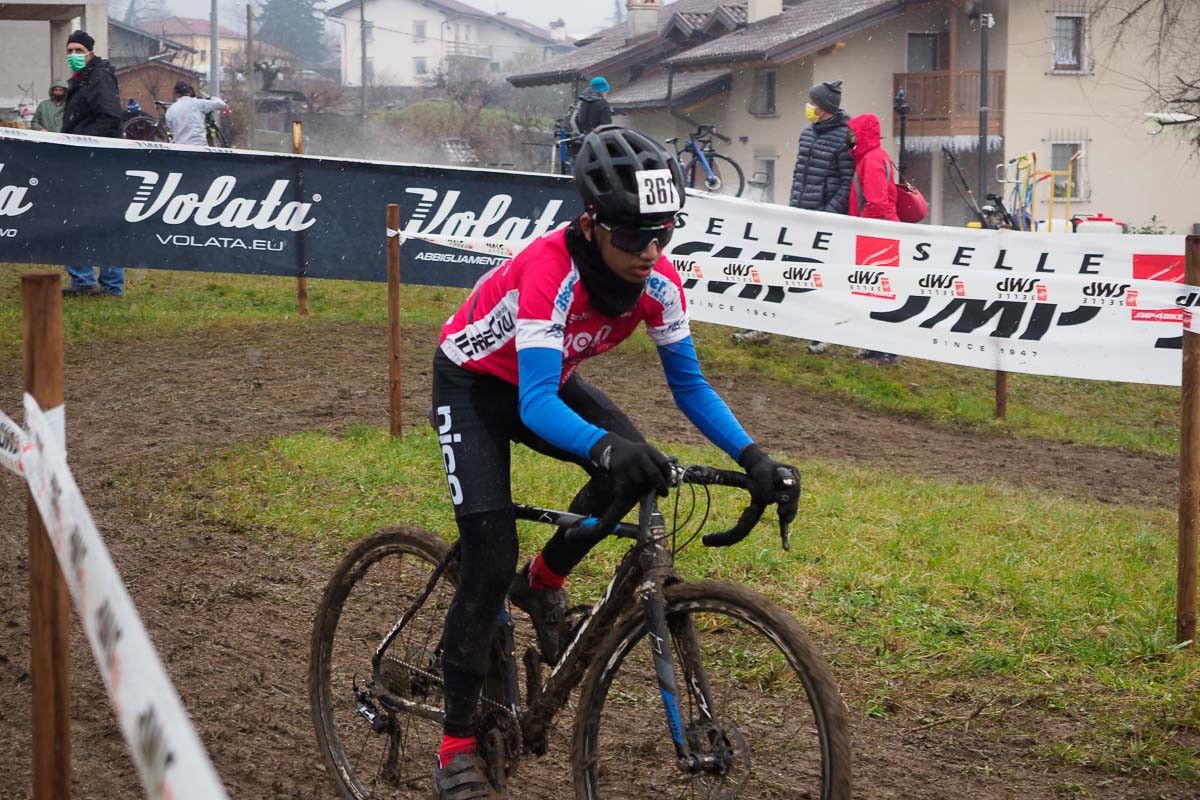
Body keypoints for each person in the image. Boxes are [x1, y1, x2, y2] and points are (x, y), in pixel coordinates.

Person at [429, 125, 800, 799]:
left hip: (544, 378)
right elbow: (536, 404)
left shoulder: (659, 281)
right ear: (591, 224)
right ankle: (455, 749)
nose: (650, 252)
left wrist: (754, 456)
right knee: (489, 556)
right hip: (475, 385)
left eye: (663, 234)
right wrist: (603, 446)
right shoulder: (551, 270)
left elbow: (690, 387)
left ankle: (542, 581)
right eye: (632, 236)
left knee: (637, 467)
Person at [790, 79, 854, 355]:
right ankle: (777, 323)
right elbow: (798, 174)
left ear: (824, 107)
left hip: (826, 219)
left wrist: (829, 213)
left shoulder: (844, 137)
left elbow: (848, 182)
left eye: (812, 103)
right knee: (793, 271)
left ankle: (826, 331)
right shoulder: (807, 133)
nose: (808, 106)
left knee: (824, 278)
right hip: (800, 214)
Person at [61, 29, 125, 298]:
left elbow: (110, 118)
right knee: (84, 219)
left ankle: (103, 282)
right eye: (69, 51)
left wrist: (83, 144)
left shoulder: (98, 77)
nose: (73, 55)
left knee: (91, 220)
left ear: (91, 53)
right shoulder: (83, 79)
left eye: (79, 50)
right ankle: (92, 280)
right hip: (86, 158)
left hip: (94, 159)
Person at [847, 113, 900, 365]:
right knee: (873, 291)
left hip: (877, 234)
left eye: (853, 133)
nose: (850, 137)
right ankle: (875, 346)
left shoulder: (871, 160)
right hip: (877, 232)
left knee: (878, 292)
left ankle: (886, 351)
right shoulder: (875, 157)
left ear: (862, 135)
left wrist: (860, 224)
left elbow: (876, 202)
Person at [165, 81, 227, 147]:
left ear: (176, 93)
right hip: (199, 146)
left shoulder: (171, 110)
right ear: (190, 92)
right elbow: (221, 104)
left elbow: (169, 126)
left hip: (180, 147)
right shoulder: (198, 103)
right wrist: (212, 98)